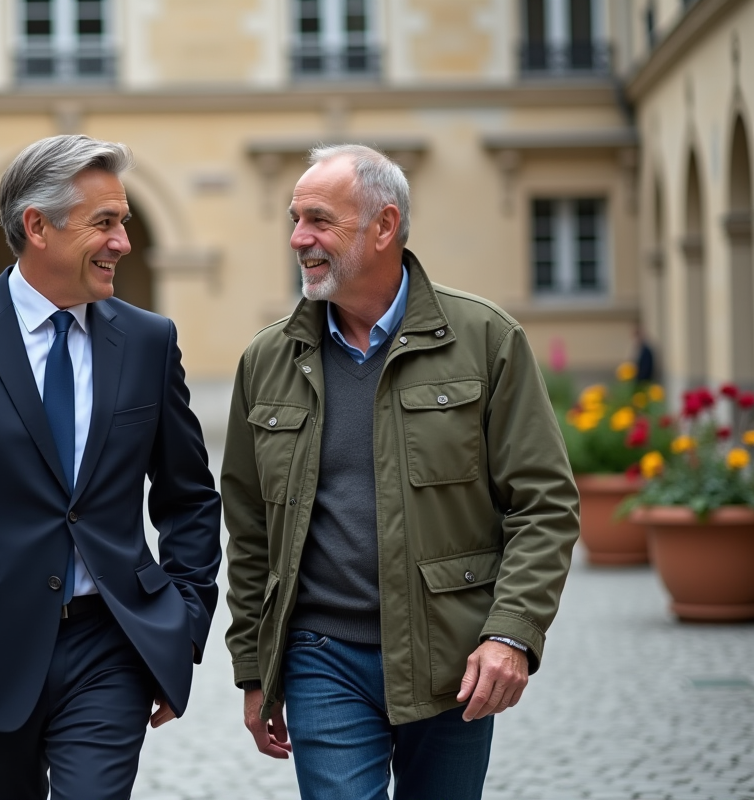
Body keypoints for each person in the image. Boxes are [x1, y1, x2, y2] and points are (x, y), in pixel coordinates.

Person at [221, 144, 580, 800]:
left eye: (319, 220)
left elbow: (544, 504)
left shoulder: (486, 339)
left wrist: (511, 633)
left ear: (384, 225)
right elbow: (248, 530)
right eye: (295, 219)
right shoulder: (267, 359)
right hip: (320, 658)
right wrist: (254, 667)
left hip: (453, 660)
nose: (298, 238)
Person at [0, 135, 222, 800]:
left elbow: (189, 497)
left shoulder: (149, 341)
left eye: (124, 222)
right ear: (37, 226)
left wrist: (182, 624)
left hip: (112, 644)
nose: (123, 242)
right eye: (105, 222)